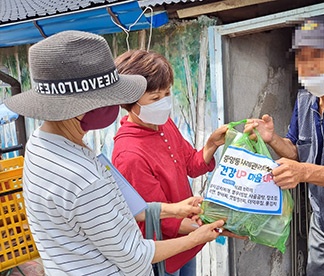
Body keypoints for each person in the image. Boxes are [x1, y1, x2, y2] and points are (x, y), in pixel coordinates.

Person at [4, 30, 224, 276]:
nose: (118, 106)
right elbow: (136, 256)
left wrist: (173, 209)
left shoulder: (40, 145)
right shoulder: (84, 178)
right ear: (79, 106)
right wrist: (198, 236)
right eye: (111, 99)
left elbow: (121, 209)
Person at [246, 16, 324, 276]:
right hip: (323, 222)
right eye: (302, 58)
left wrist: (303, 173)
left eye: (318, 55)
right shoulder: (305, 100)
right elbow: (296, 151)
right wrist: (273, 139)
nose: (308, 65)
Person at [111, 50, 228, 276]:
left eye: (167, 93)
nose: (164, 103)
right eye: (155, 98)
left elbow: (191, 164)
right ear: (130, 102)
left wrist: (212, 144)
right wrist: (208, 226)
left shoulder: (162, 124)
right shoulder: (129, 154)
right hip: (163, 254)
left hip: (188, 241)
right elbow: (157, 218)